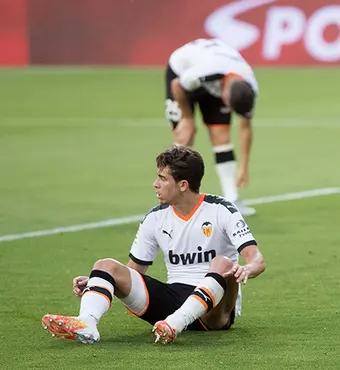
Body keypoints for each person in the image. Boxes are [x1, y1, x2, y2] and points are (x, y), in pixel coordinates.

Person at [42, 146, 266, 345]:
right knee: (105, 265)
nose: (155, 184)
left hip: (215, 312)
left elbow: (257, 259)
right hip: (173, 300)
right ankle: (87, 324)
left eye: (162, 178)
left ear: (183, 185)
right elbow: (132, 272)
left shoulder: (221, 209)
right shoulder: (155, 218)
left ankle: (174, 325)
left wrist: (246, 269)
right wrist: (99, 282)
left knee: (223, 263)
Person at [164, 38, 259, 216]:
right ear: (225, 94)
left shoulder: (250, 87)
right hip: (181, 72)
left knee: (221, 135)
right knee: (184, 137)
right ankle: (174, 202)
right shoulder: (200, 73)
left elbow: (245, 126)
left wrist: (244, 166)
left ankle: (233, 199)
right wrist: (188, 117)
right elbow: (177, 86)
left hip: (220, 74)